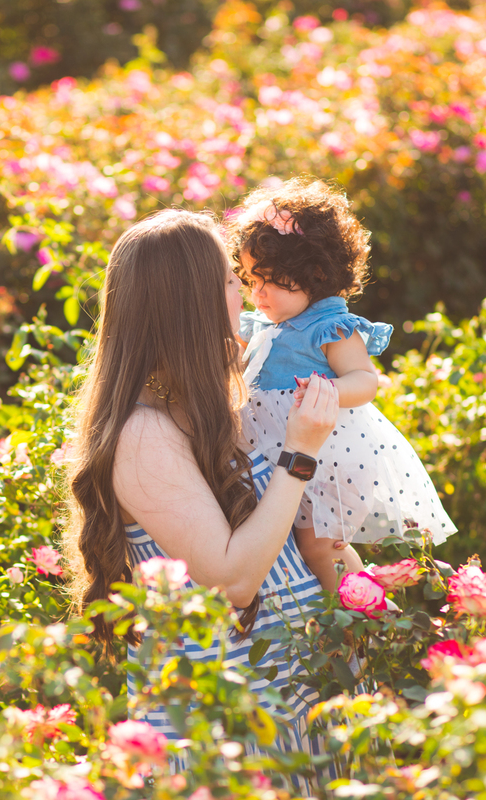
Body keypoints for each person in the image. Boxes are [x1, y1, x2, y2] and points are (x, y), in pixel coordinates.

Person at [61, 209, 340, 791]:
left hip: (295, 694)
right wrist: (299, 452)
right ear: (193, 301)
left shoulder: (208, 399)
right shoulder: (142, 434)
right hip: (231, 729)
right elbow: (233, 579)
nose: (245, 293)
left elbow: (282, 533)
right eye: (231, 281)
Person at [228, 177, 457, 592]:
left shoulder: (329, 325)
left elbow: (366, 381)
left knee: (319, 546)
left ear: (314, 274)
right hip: (286, 454)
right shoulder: (263, 326)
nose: (257, 293)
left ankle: (362, 617)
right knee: (283, 541)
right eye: (249, 280)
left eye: (268, 280)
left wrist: (326, 392)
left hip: (330, 461)